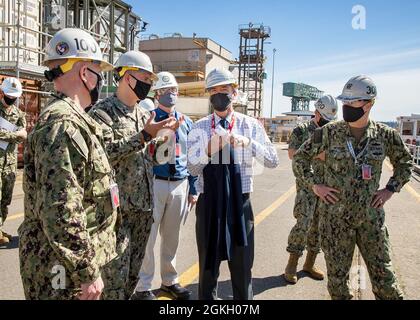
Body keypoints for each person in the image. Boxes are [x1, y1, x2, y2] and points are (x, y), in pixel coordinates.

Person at [19, 28, 118, 300]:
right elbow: (61, 208)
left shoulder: (73, 119)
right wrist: (86, 272)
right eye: (98, 71)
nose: (100, 80)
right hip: (62, 270)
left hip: (67, 264)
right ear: (85, 74)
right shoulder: (63, 125)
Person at [293, 75, 413, 300]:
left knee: (386, 282)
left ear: (369, 104)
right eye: (344, 102)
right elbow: (300, 158)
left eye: (352, 102)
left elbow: (405, 163)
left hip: (371, 220)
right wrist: (314, 185)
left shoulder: (385, 135)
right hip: (335, 222)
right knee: (338, 286)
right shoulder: (328, 132)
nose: (346, 107)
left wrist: (389, 189)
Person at [89, 51, 181, 300]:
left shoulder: (144, 114)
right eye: (145, 77)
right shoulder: (102, 113)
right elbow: (104, 155)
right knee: (114, 284)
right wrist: (145, 136)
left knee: (131, 280)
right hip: (117, 216)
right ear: (127, 76)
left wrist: (166, 139)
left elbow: (153, 158)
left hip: (143, 210)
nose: (149, 84)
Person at [187, 68, 279, 300]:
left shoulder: (250, 126)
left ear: (234, 93)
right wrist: (208, 150)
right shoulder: (199, 127)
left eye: (224, 90)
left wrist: (248, 143)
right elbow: (191, 169)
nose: (219, 95)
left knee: (242, 265)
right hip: (210, 204)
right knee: (208, 266)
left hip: (240, 203)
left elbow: (272, 160)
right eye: (214, 91)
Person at [132, 72, 198, 300]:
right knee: (148, 237)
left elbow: (191, 157)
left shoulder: (186, 121)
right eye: (166, 91)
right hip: (154, 184)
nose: (171, 95)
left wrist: (194, 187)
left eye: (174, 91)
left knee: (172, 237)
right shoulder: (147, 119)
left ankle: (170, 281)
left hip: (179, 184)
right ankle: (143, 286)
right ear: (157, 93)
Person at [284, 95, 338, 284]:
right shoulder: (302, 130)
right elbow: (292, 154)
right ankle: (291, 265)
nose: (325, 122)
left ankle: (309, 263)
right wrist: (320, 155)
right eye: (322, 117)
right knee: (303, 225)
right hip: (308, 187)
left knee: (319, 227)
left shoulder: (333, 131)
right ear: (316, 112)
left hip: (328, 189)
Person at [0, 77, 27, 245]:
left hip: (10, 165)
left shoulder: (18, 114)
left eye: (14, 97)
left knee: (5, 199)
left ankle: (0, 229)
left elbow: (23, 134)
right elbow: (17, 135)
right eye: (9, 96)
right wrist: (14, 135)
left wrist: (16, 135)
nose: (11, 100)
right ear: (2, 93)